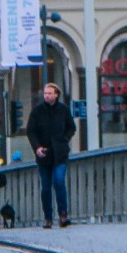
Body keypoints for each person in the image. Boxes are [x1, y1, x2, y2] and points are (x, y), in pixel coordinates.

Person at [26, 83, 77, 228]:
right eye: (45, 93)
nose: (47, 96)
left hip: (60, 153)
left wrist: (64, 139)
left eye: (49, 93)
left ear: (56, 95)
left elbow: (71, 127)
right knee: (46, 187)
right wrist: (37, 147)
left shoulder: (63, 110)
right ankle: (48, 217)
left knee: (59, 181)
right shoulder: (37, 112)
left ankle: (63, 214)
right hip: (44, 154)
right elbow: (31, 131)